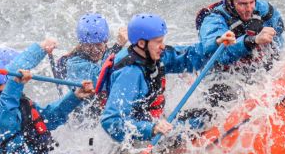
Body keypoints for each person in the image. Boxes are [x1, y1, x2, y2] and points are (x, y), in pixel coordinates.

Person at [100, 14, 235, 144]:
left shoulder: (152, 55)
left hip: (156, 123)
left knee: (216, 101)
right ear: (142, 43)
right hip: (143, 137)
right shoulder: (129, 73)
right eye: (158, 42)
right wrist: (151, 129)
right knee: (202, 119)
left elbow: (186, 57)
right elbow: (111, 121)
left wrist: (216, 43)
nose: (163, 46)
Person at [196, 0, 285, 105]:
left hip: (252, 65)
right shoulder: (213, 21)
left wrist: (278, 58)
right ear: (229, 2)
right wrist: (252, 40)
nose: (249, 8)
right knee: (220, 97)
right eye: (242, 4)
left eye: (251, 2)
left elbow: (278, 32)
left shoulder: (262, 8)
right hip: (222, 75)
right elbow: (219, 55)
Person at [56, 13, 128, 120]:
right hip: (84, 118)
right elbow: (101, 78)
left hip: (100, 108)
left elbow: (108, 62)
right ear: (81, 44)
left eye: (98, 44)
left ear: (105, 41)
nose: (94, 50)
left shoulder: (106, 53)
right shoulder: (74, 64)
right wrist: (119, 45)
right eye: (89, 45)